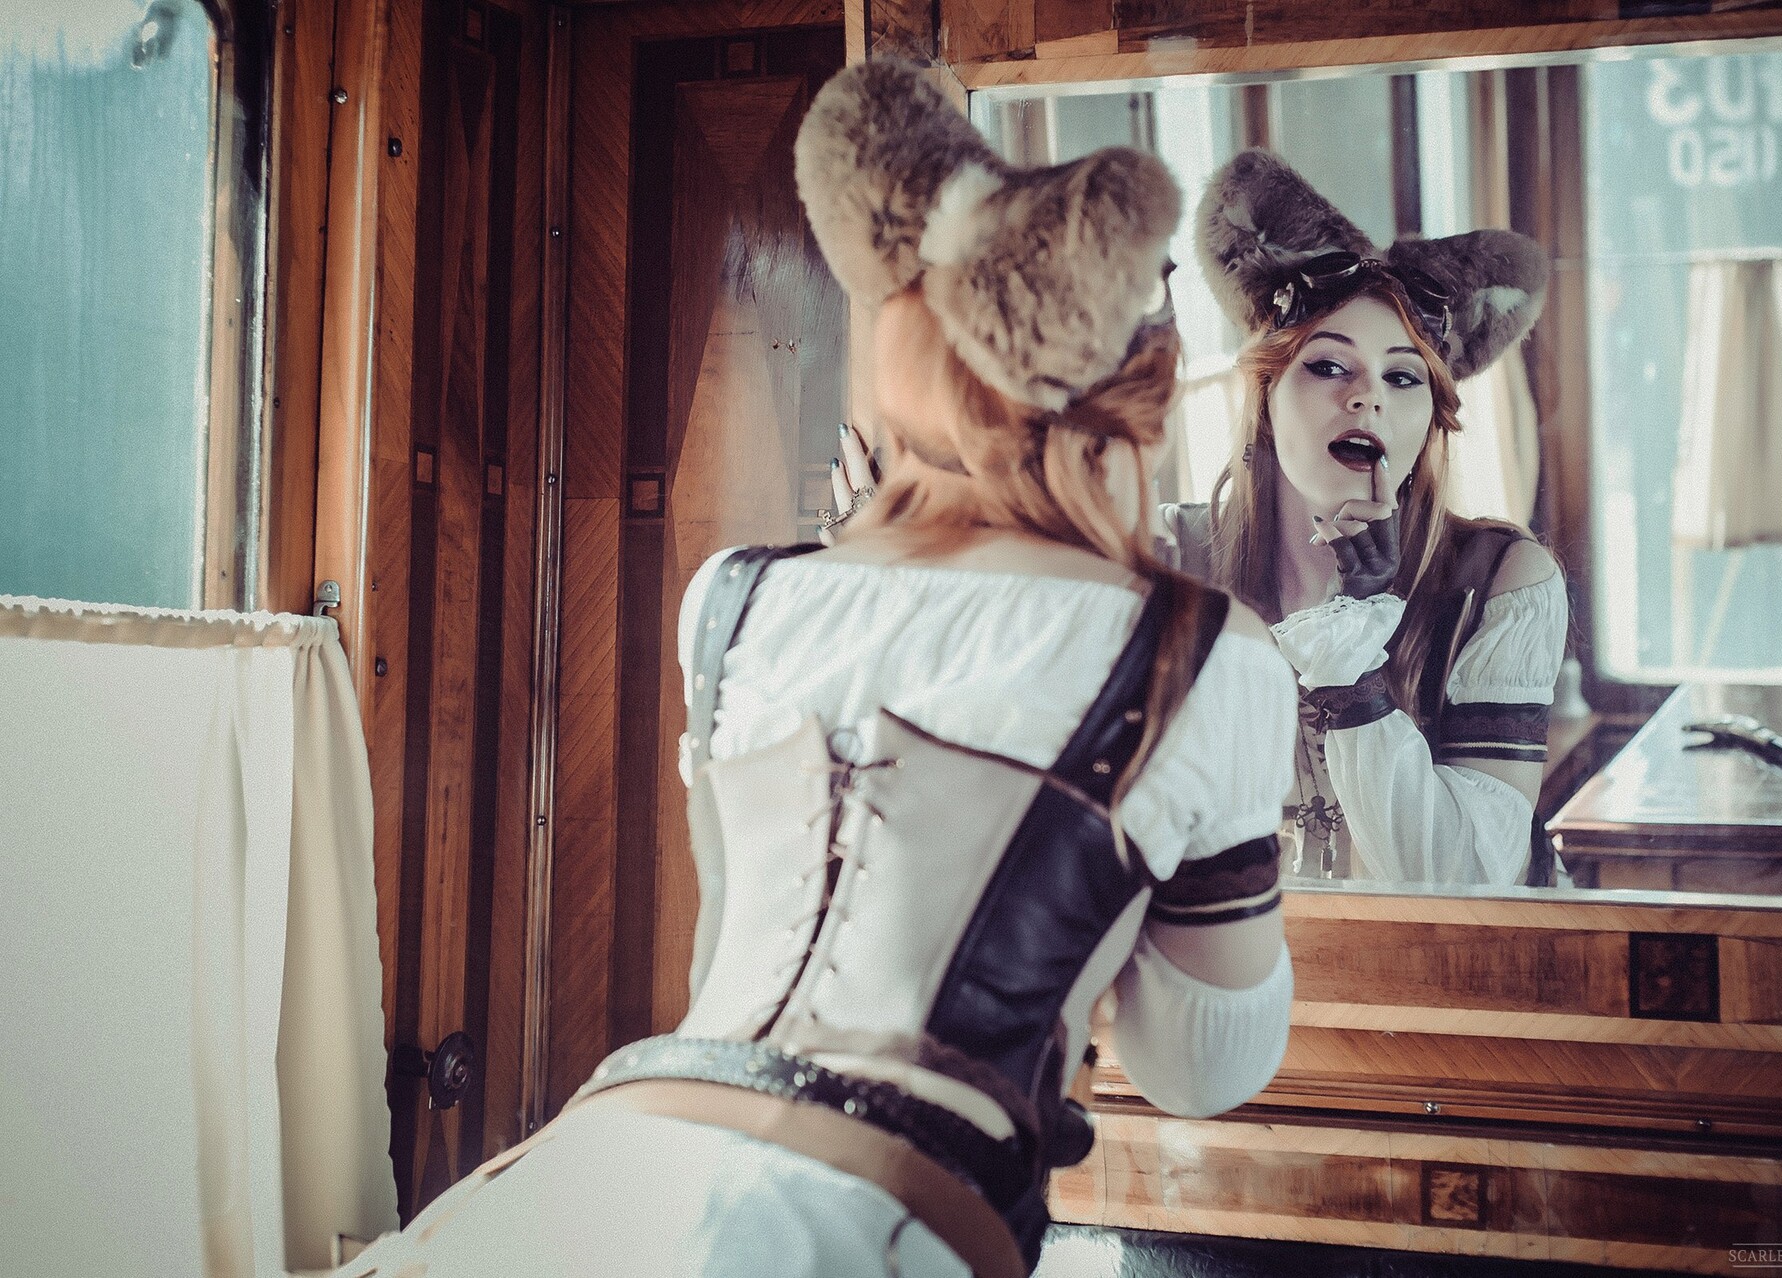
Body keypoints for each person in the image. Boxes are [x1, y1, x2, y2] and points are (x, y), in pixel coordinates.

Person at [335, 60, 1295, 1278]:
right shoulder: (1204, 656)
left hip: (590, 1173)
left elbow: (723, 962)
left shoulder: (736, 597)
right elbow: (1201, 1069)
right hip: (866, 1222)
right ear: (1141, 400)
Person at [1160, 149, 1570, 889]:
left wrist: (1355, 659)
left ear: (1430, 418)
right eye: (1327, 365)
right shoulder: (1170, 559)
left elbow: (1463, 882)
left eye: (1403, 376)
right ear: (1265, 394)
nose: (1367, 397)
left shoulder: (1503, 582)